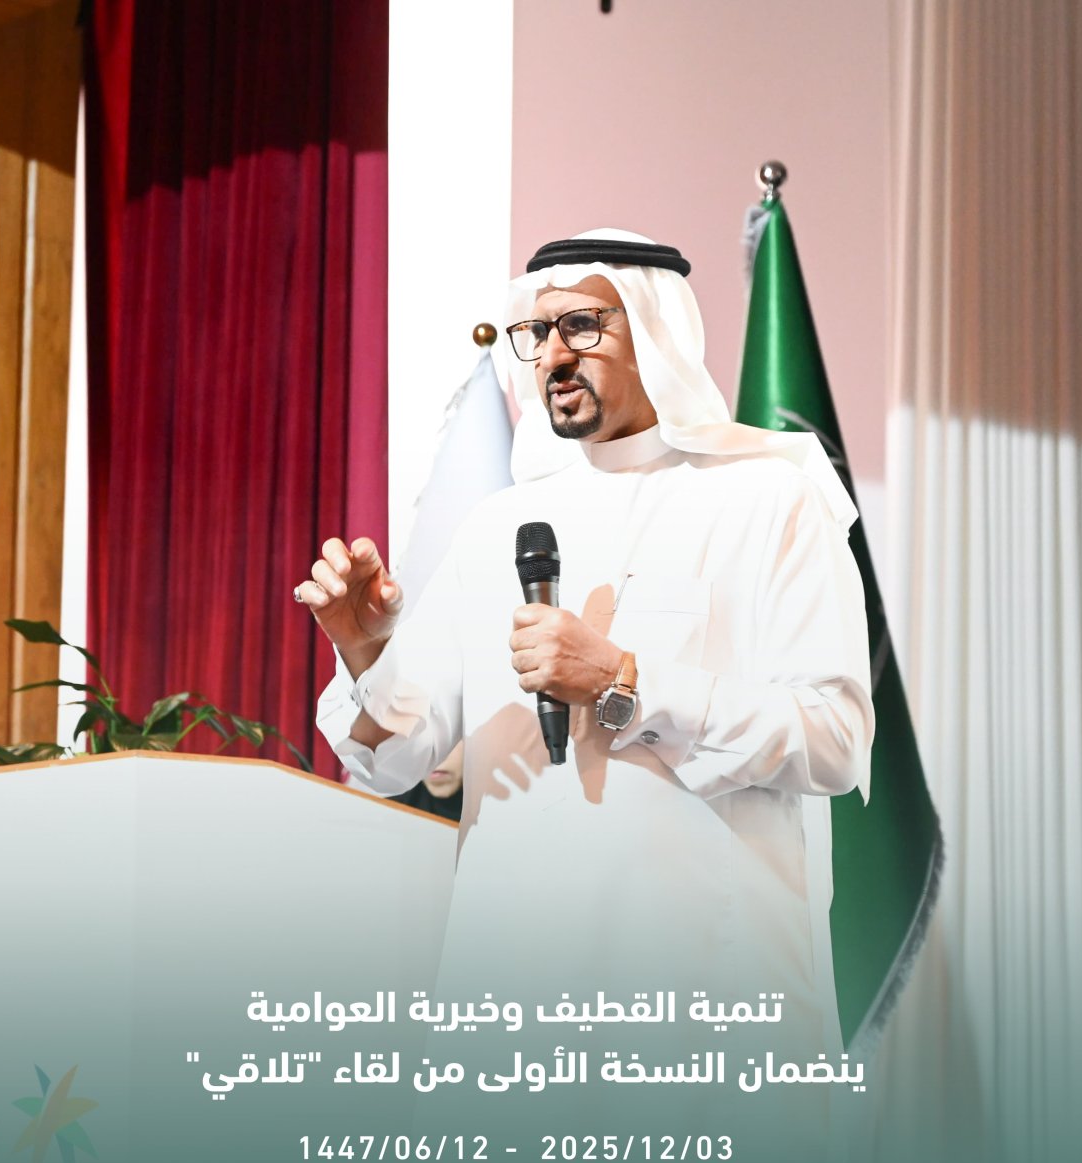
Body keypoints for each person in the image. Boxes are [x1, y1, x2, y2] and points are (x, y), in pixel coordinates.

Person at [295, 230, 875, 1109]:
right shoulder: (498, 527)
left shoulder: (768, 502)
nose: (554, 355)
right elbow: (391, 757)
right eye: (538, 333)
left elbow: (834, 741)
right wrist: (362, 645)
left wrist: (622, 680)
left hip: (703, 1011)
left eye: (582, 326)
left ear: (655, 328)